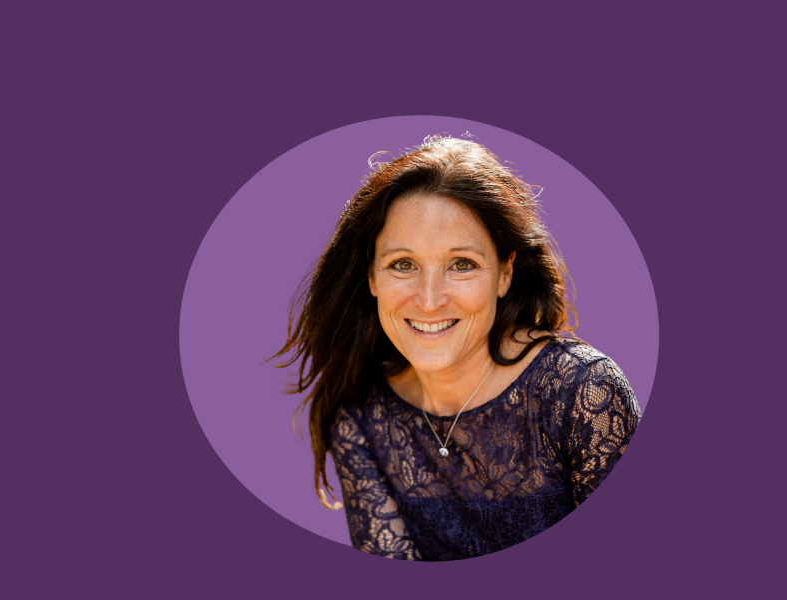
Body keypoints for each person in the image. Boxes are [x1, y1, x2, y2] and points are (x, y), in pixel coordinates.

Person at [274, 136, 641, 561]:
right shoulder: (361, 415)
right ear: (371, 277)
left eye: (461, 264)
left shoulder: (581, 392)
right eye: (403, 264)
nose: (429, 300)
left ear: (504, 273)